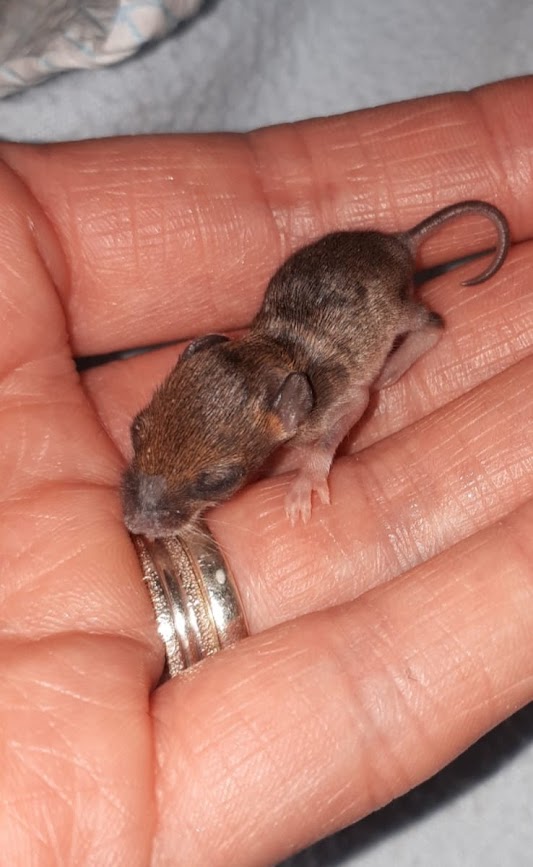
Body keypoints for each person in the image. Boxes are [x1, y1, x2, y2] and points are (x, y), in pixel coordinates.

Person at [0, 75, 531, 866]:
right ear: (196, 358)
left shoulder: (305, 401)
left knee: (394, 333)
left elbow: (346, 401)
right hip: (318, 284)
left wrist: (318, 455)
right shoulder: (227, 370)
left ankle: (421, 323)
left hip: (359, 293)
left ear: (283, 411)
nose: (143, 503)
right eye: (147, 437)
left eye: (207, 482)